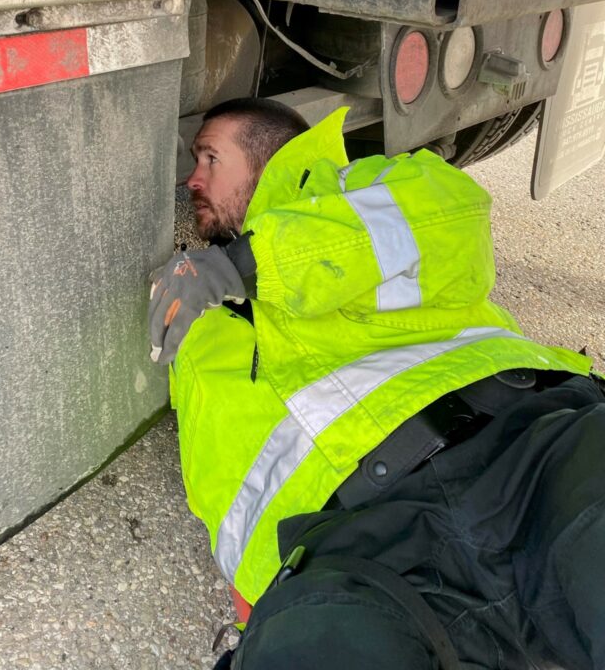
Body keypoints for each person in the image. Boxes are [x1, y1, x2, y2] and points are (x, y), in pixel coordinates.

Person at [148, 97, 605, 670]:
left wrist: (250, 262)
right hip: (358, 550)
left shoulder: (362, 187)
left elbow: (455, 218)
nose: (192, 179)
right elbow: (220, 477)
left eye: (210, 157)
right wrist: (263, 606)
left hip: (531, 447)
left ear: (272, 157)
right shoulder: (202, 325)